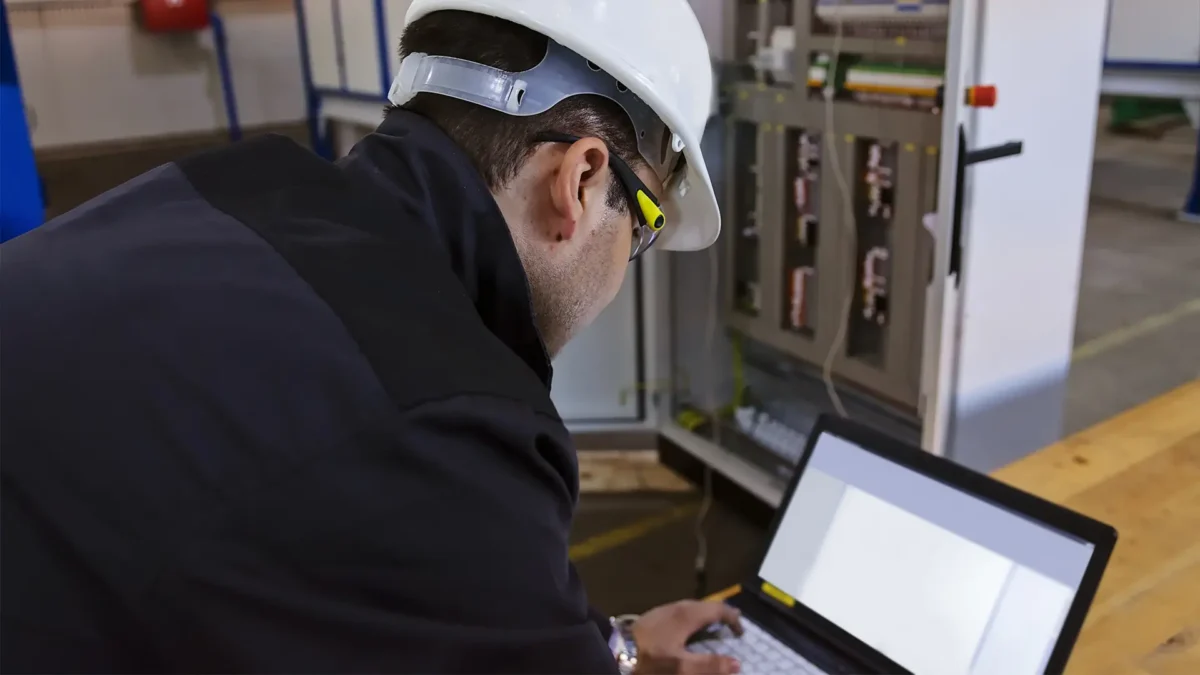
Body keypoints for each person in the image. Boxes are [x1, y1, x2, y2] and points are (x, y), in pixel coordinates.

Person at [0, 0, 740, 673]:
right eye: (643, 225)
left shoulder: (227, 188)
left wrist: (618, 648)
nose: (624, 267)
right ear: (579, 180)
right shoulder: (449, 417)